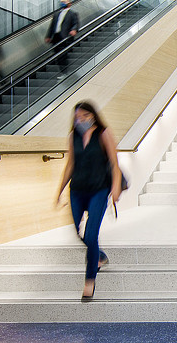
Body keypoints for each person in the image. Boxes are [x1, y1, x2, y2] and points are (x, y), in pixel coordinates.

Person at [55, 101, 122, 301]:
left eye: (85, 116)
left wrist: (116, 186)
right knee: (78, 232)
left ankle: (89, 280)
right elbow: (70, 165)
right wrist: (59, 191)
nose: (81, 120)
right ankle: (98, 256)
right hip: (77, 190)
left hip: (99, 190)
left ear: (93, 115)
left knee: (91, 235)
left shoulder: (103, 133)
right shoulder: (72, 136)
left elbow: (114, 162)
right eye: (78, 117)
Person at [45, 0, 79, 77]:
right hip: (56, 37)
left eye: (64, 2)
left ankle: (65, 73)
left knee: (63, 55)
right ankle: (63, 72)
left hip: (65, 37)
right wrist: (48, 36)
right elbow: (52, 26)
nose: (62, 3)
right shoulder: (56, 14)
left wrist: (74, 30)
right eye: (61, 2)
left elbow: (75, 23)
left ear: (69, 4)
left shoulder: (72, 14)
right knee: (57, 55)